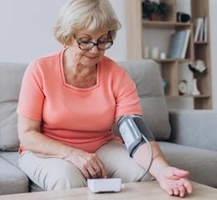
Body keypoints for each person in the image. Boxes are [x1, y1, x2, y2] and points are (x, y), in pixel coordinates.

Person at [17, 0, 193, 197]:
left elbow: (135, 132)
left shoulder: (117, 75)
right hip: (47, 150)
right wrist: (72, 154)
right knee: (68, 178)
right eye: (85, 40)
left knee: (143, 172)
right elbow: (27, 135)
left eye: (102, 41)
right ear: (66, 37)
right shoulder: (40, 69)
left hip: (102, 145)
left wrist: (162, 170)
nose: (94, 50)